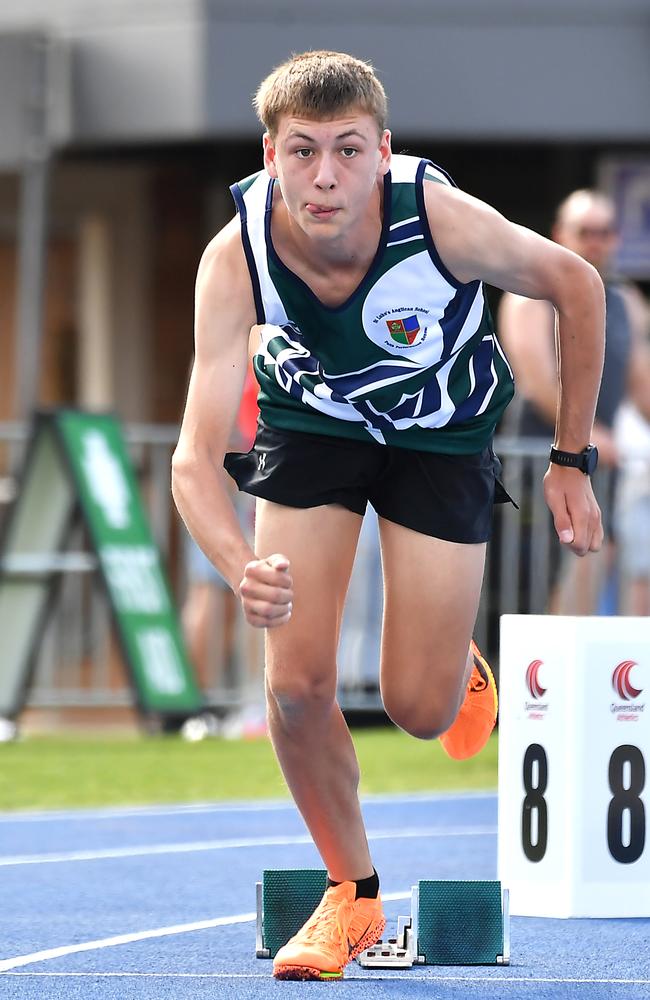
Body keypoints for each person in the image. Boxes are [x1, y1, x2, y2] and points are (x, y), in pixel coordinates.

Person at [172, 51, 604, 981]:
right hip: (314, 420)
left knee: (418, 708)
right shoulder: (234, 255)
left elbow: (578, 285)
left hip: (439, 434)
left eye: (348, 151)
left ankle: (454, 668)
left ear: (384, 153)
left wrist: (570, 461)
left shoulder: (438, 219)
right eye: (302, 153)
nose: (325, 178)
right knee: (294, 683)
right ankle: (353, 893)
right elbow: (193, 460)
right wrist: (236, 561)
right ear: (270, 154)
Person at [498, 190, 650, 613]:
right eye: (585, 231)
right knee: (531, 584)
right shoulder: (530, 295)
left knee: (592, 564)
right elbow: (538, 381)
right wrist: (591, 437)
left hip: (597, 466)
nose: (596, 241)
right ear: (559, 234)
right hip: (541, 465)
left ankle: (567, 677)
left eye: (605, 231)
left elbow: (643, 384)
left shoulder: (627, 303)